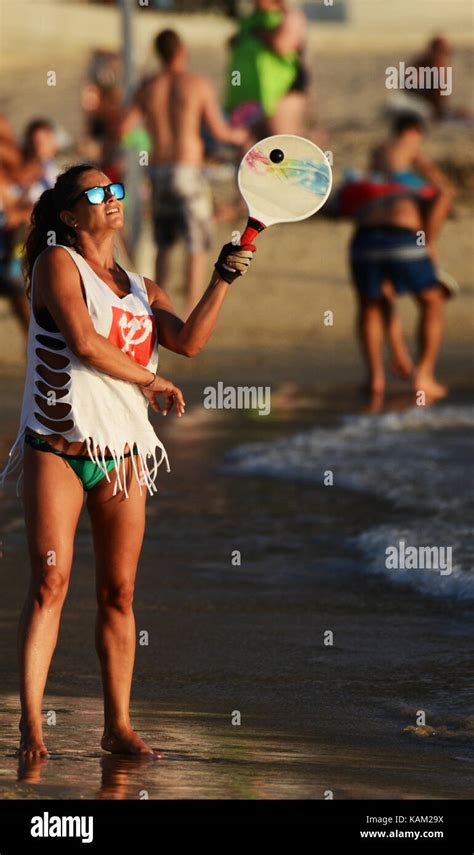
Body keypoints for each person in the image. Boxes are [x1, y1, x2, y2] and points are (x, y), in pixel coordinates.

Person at [0, 163, 256, 758]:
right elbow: (86, 344)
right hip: (56, 449)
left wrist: (222, 277)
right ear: (69, 215)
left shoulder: (142, 287)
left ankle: (117, 726)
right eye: (97, 192)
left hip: (122, 457)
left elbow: (188, 341)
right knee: (50, 583)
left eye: (116, 189)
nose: (112, 198)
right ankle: (31, 726)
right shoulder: (54, 264)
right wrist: (152, 380)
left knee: (119, 593)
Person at [121, 29, 249, 316]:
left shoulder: (149, 86)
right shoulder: (197, 84)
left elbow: (123, 128)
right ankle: (191, 309)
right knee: (196, 243)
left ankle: (156, 309)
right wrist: (240, 136)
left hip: (158, 171)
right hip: (188, 169)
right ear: (181, 50)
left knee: (164, 243)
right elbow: (218, 130)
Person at [348, 187, 451, 403]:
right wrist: (428, 241)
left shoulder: (376, 198)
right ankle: (424, 375)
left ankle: (375, 378)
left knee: (371, 305)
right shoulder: (419, 196)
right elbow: (445, 194)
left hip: (363, 241)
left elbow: (388, 300)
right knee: (433, 300)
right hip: (402, 236)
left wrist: (399, 350)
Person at [225, 0, 309, 137]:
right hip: (250, 93)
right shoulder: (253, 18)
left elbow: (282, 45)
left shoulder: (289, 16)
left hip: (282, 89)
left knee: (280, 141)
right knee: (250, 143)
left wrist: (261, 34)